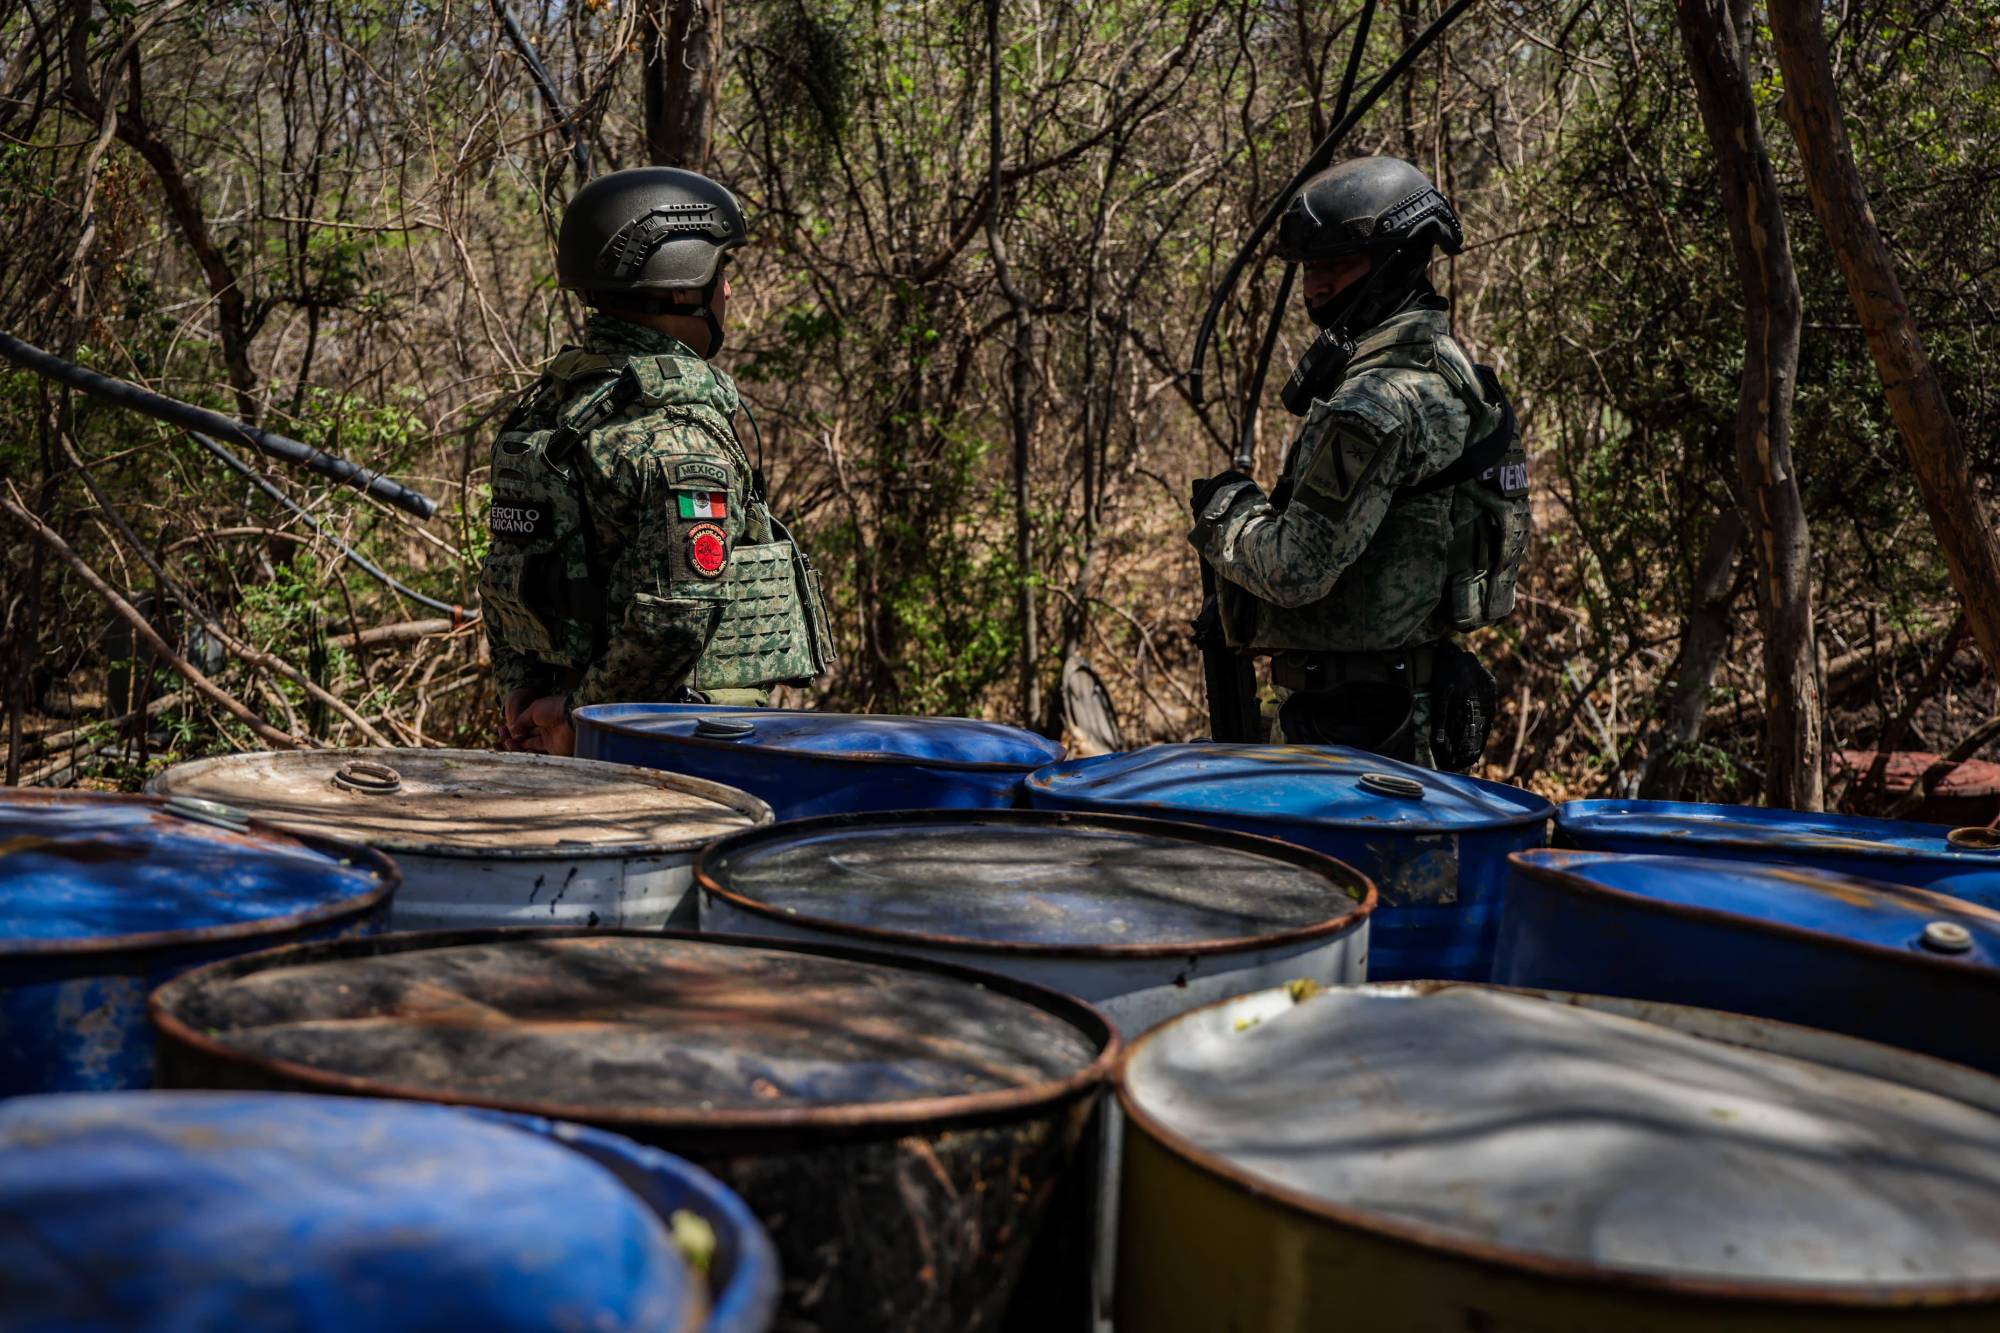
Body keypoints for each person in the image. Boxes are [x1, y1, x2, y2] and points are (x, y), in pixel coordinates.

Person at [1188, 156, 1529, 770]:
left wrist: (1227, 509)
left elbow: (1297, 570)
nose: (1314, 288)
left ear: (1395, 261)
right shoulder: (1454, 373)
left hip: (1358, 729)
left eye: (1334, 264)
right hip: (1413, 705)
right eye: (1309, 269)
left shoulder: (1373, 403)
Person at [480, 167, 833, 756]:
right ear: (680, 286)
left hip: (561, 729)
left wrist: (526, 698)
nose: (729, 292)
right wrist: (578, 719)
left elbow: (504, 581)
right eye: (722, 273)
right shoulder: (678, 439)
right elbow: (677, 618)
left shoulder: (546, 411)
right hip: (672, 739)